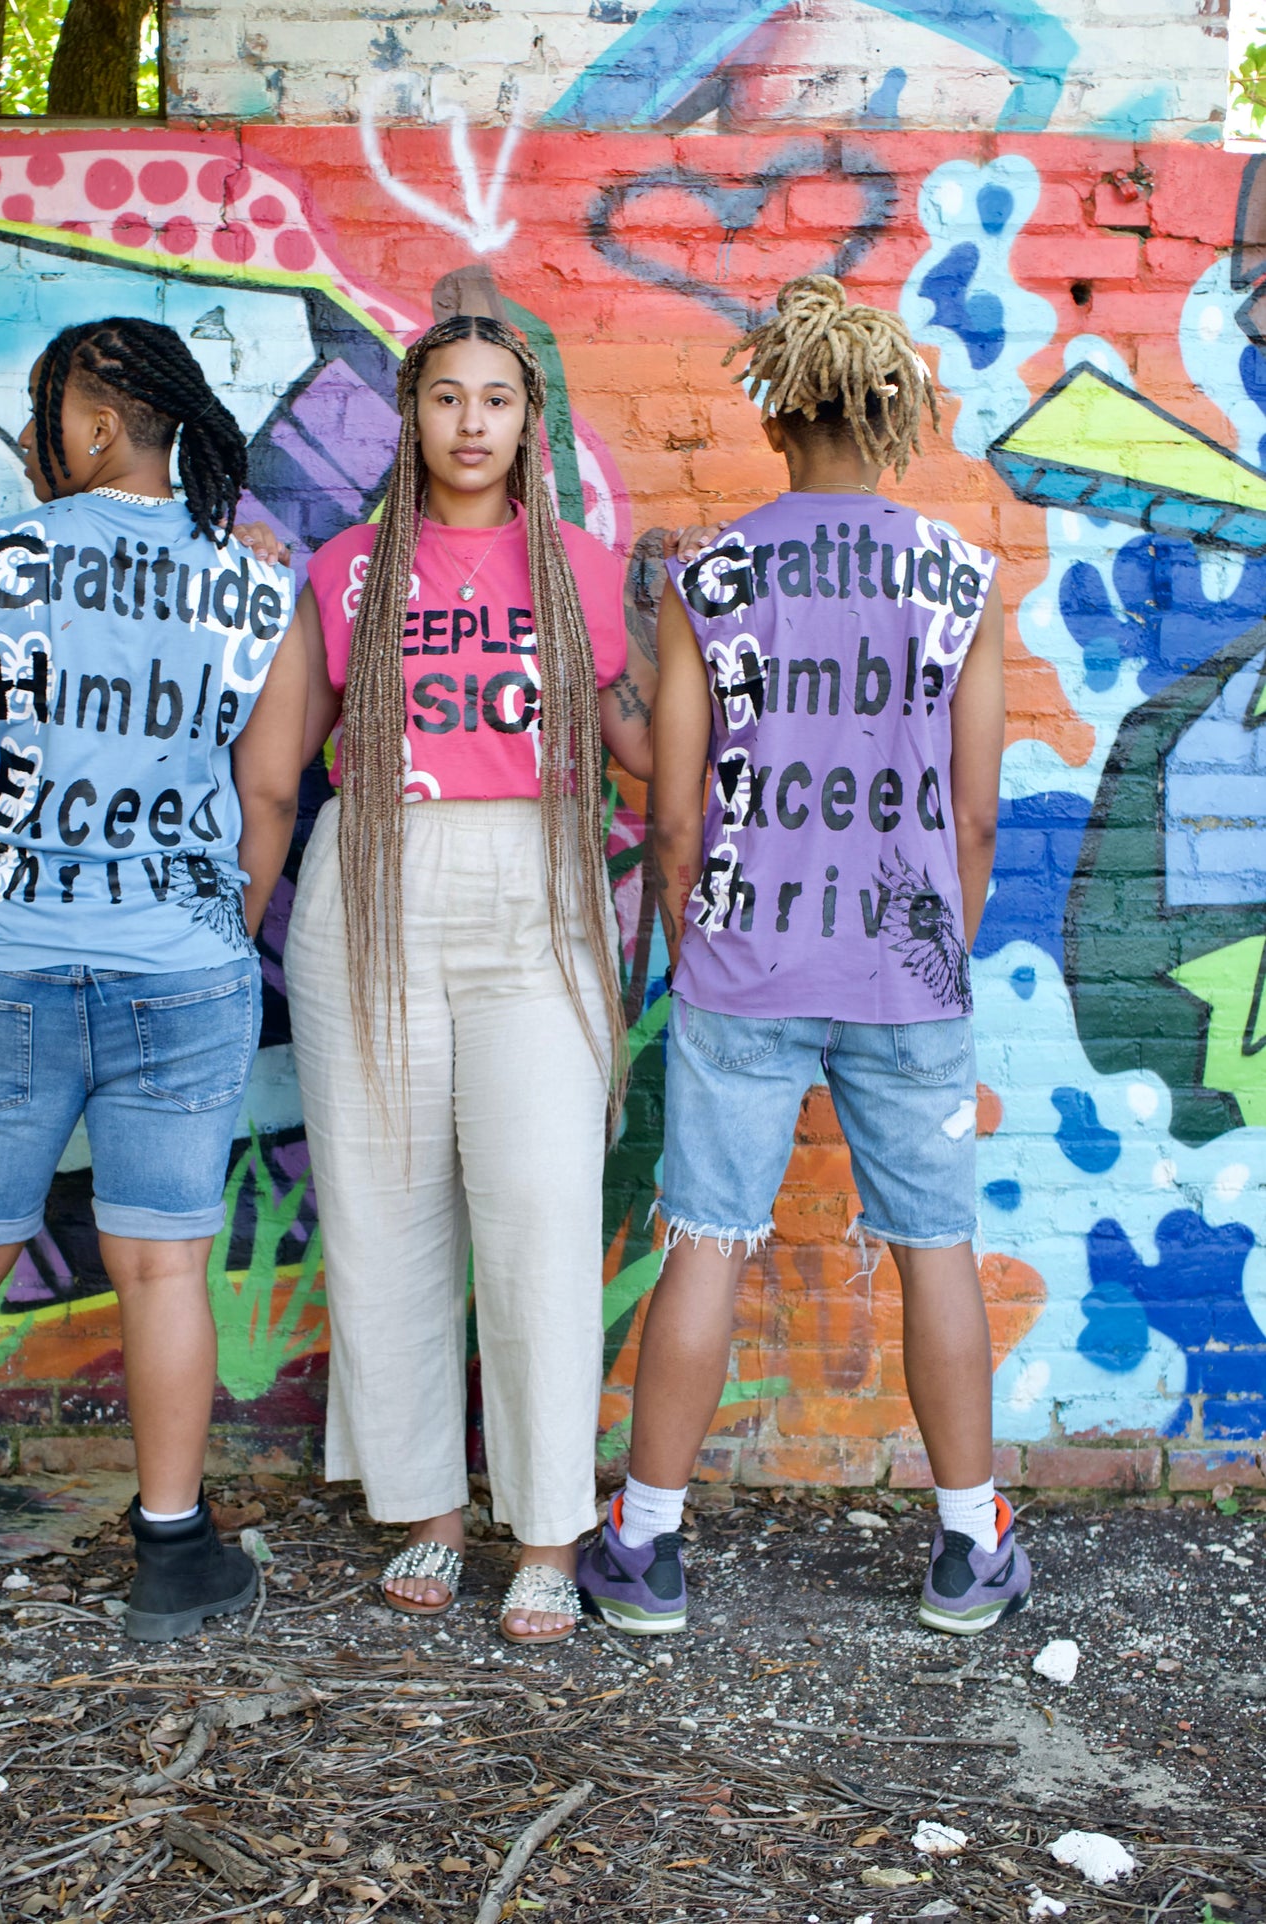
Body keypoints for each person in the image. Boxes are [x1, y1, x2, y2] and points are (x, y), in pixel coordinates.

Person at [0, 317, 306, 1641]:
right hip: (186, 967)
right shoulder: (261, 582)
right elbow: (270, 788)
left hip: (6, 964)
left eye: (52, 414)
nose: (43, 438)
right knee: (163, 1268)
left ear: (92, 424)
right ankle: (173, 1554)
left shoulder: (4, 562)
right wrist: (221, 923)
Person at [577, 274, 1029, 1637]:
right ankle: (965, 1544)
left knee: (705, 1241)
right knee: (934, 1249)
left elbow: (676, 807)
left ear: (774, 417)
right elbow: (976, 811)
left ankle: (647, 1547)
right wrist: (935, 946)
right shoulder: (959, 578)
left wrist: (690, 927)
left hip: (743, 959)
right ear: (891, 421)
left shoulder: (709, 580)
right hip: (906, 964)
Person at [266, 311, 654, 1644]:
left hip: (536, 890)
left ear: (527, 421)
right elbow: (280, 766)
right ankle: (428, 1511)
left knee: (541, 1202)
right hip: (371, 882)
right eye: (447, 398)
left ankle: (547, 1528)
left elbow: (643, 753)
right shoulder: (347, 570)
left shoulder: (585, 573)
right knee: (385, 1205)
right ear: (410, 415)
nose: (472, 422)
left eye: (497, 399)